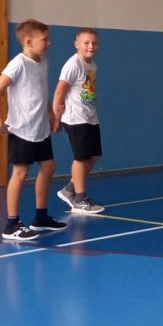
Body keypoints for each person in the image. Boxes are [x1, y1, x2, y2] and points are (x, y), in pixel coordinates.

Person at [0, 19, 67, 241]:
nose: (49, 43)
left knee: (48, 166)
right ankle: (11, 224)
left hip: (40, 127)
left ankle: (41, 217)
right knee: (20, 173)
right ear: (29, 42)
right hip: (22, 129)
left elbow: (41, 93)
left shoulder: (42, 62)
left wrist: (52, 116)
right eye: (45, 40)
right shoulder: (18, 64)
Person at [53, 27, 105, 215]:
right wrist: (56, 118)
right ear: (77, 44)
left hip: (90, 117)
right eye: (86, 43)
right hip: (75, 118)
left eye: (94, 43)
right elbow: (59, 93)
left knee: (94, 156)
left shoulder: (92, 65)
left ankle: (69, 190)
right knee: (81, 158)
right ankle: (80, 199)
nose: (91, 46)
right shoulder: (73, 64)